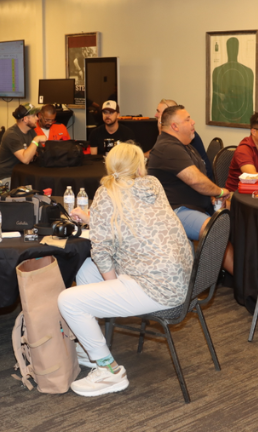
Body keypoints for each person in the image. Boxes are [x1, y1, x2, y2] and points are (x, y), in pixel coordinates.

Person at [58, 142, 193, 397]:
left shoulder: (107, 192)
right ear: (141, 166)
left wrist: (112, 285)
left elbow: (101, 251)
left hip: (155, 287)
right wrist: (94, 218)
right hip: (176, 278)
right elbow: (133, 217)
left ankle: (109, 371)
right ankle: (92, 346)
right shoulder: (153, 184)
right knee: (86, 270)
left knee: (68, 301)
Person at [147, 105, 227, 240]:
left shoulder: (185, 146)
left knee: (238, 216)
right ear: (175, 126)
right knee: (218, 232)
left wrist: (211, 195)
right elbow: (196, 180)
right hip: (175, 210)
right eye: (188, 119)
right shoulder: (168, 147)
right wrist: (219, 192)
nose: (193, 122)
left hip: (195, 206)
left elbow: (201, 178)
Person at [153, 99, 214, 178]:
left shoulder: (183, 137)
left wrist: (161, 131)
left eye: (159, 112)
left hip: (203, 177)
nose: (156, 115)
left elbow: (159, 152)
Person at [0, 103, 46, 186]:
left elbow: (40, 153)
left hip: (21, 174)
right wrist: (36, 139)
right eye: (34, 116)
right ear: (25, 119)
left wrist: (33, 152)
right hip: (6, 178)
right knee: (33, 188)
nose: (37, 118)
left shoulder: (31, 131)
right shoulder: (12, 135)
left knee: (42, 184)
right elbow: (25, 159)